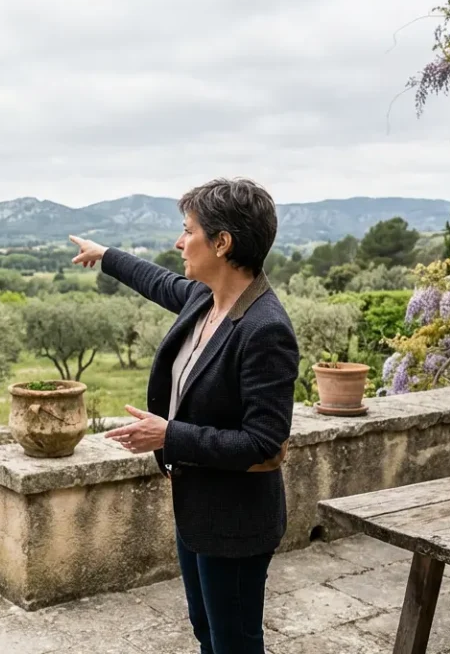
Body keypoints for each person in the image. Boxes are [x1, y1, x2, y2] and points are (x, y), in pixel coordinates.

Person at [70, 177, 299, 654]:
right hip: (195, 508)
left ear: (222, 242)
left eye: (188, 230)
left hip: (236, 521)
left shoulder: (265, 329)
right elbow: (156, 280)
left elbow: (263, 443)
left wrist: (169, 435)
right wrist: (105, 254)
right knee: (205, 631)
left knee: (234, 642)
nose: (179, 242)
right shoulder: (203, 299)